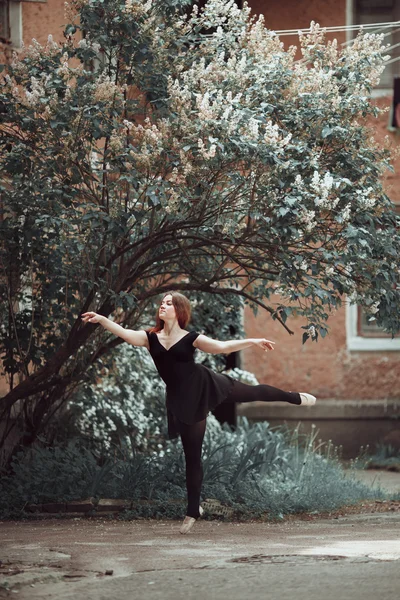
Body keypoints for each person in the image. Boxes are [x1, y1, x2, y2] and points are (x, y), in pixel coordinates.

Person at [81, 291, 316, 534]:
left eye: (169, 303)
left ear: (179, 310)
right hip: (182, 400)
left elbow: (221, 347)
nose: (163, 306)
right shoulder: (150, 337)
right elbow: (125, 334)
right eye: (162, 303)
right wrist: (101, 319)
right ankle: (193, 510)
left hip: (205, 384)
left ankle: (293, 397)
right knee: (192, 455)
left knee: (252, 392)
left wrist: (253, 341)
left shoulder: (190, 337)